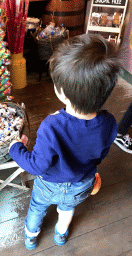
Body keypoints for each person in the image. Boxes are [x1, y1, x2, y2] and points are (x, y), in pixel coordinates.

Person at [9, 34, 120, 250]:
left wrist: (16, 148)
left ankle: (31, 237)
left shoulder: (51, 126)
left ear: (62, 93)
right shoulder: (109, 123)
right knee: (67, 208)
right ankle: (60, 235)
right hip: (82, 182)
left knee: (37, 207)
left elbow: (36, 165)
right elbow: (101, 154)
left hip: (49, 185)